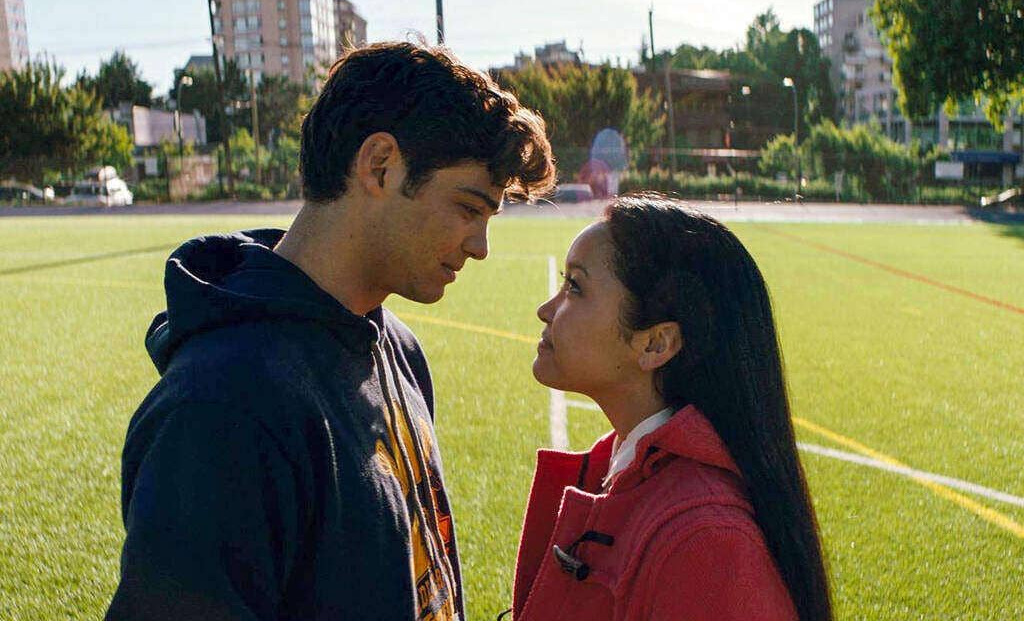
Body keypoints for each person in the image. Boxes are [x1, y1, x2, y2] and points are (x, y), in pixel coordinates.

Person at [106, 42, 555, 621]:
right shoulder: (220, 409)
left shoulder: (397, 347)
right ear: (380, 165)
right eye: (469, 208)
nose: (480, 246)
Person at [510, 193, 832, 620]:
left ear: (655, 344)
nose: (546, 310)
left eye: (575, 287)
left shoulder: (707, 541)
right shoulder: (624, 471)